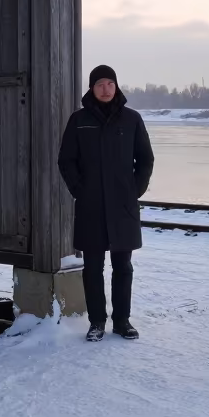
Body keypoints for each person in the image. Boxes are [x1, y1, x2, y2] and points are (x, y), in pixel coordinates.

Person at [58, 65, 155, 341]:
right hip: (91, 208)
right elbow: (66, 160)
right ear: (92, 88)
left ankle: (122, 321)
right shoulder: (79, 121)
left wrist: (134, 191)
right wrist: (80, 190)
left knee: (123, 266)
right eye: (100, 83)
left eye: (110, 83)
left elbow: (146, 159)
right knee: (92, 268)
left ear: (116, 86)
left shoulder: (131, 119)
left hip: (123, 208)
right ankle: (97, 322)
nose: (105, 88)